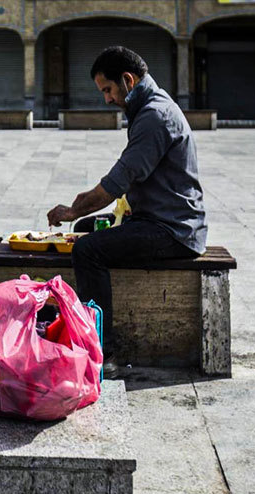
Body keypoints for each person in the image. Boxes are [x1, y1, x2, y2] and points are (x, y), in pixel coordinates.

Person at [46, 46, 206, 378]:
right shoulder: (150, 108)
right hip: (160, 221)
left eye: (108, 89)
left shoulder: (154, 116)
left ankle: (104, 353)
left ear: (128, 80)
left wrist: (72, 210)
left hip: (173, 230)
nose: (106, 99)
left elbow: (116, 183)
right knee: (91, 228)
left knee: (88, 250)